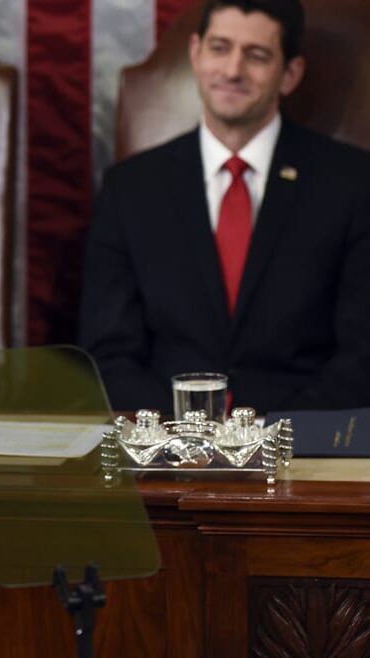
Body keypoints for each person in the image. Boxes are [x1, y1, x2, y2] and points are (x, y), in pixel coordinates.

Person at [79, 0, 370, 414]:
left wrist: (275, 437)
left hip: (302, 450)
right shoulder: (130, 189)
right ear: (196, 54)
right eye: (219, 48)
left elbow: (361, 357)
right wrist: (187, 440)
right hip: (169, 452)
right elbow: (107, 353)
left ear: (290, 74)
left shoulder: (353, 184)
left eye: (256, 56)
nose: (232, 71)